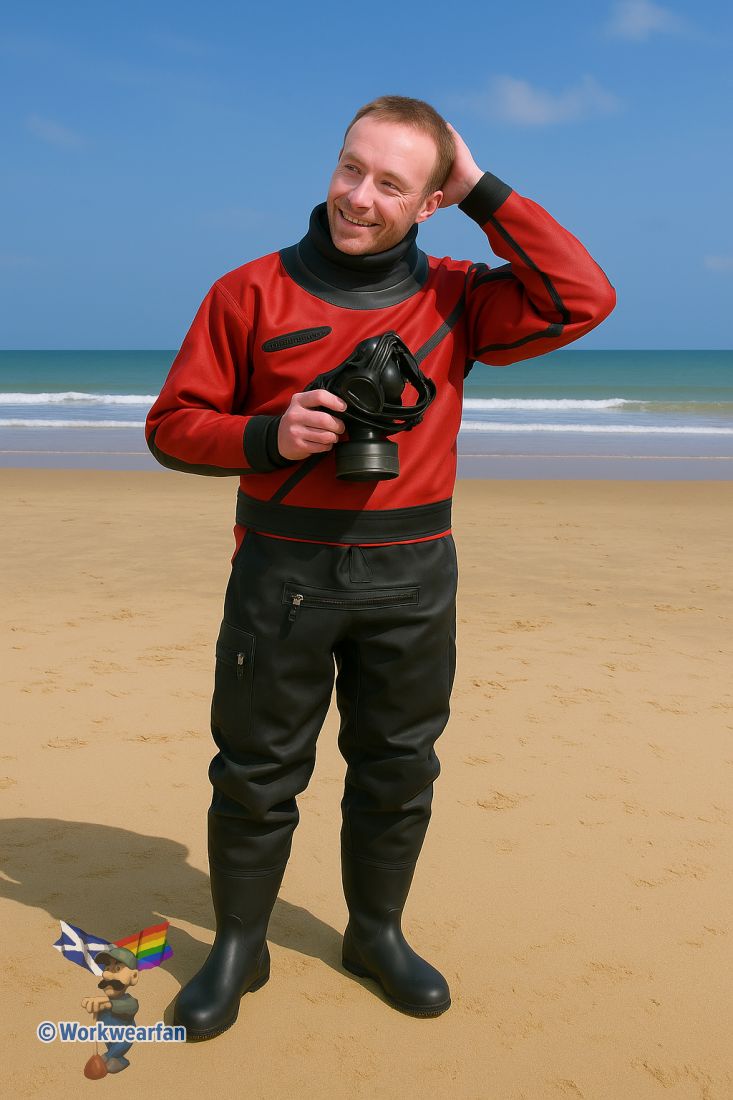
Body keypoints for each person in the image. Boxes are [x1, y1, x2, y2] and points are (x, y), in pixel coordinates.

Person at [145, 95, 615, 1041]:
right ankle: (239, 946)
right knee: (255, 772)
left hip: (413, 575)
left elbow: (581, 297)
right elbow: (171, 428)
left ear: (431, 200)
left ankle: (375, 934)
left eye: (392, 184)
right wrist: (270, 434)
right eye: (350, 168)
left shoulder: (459, 297)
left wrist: (481, 189)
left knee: (398, 767)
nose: (358, 196)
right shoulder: (247, 292)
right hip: (282, 572)